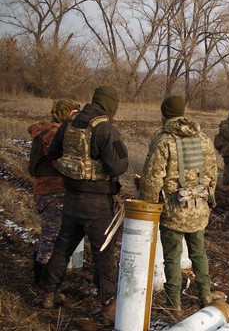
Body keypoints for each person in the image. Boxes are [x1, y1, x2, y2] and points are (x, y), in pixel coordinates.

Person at [40, 86, 128, 324]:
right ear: (110, 105)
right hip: (97, 202)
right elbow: (118, 166)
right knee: (104, 252)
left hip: (71, 197)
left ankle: (48, 293)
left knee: (63, 246)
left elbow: (54, 152)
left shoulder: (69, 124)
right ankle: (108, 306)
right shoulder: (105, 129)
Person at [140, 95, 218, 314]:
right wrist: (208, 203)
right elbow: (212, 174)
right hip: (199, 209)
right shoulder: (202, 138)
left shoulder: (164, 140)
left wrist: (149, 207)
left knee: (172, 258)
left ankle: (173, 303)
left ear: (164, 114)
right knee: (199, 253)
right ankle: (206, 294)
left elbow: (153, 178)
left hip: (174, 211)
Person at [27, 99, 80, 286]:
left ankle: (40, 275)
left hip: (46, 189)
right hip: (52, 190)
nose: (76, 117)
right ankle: (44, 280)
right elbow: (59, 162)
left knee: (48, 234)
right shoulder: (54, 133)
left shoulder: (48, 131)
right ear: (64, 114)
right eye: (73, 113)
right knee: (52, 236)